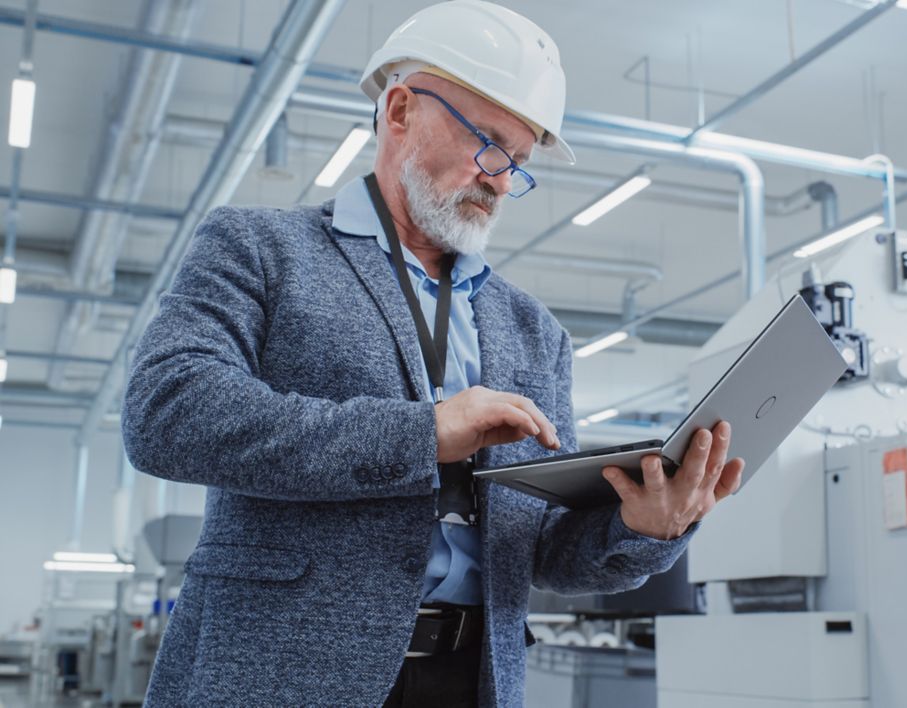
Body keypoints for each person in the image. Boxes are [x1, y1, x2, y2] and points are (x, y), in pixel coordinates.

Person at [121, 2, 744, 706]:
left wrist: (645, 527)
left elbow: (543, 553)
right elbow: (166, 414)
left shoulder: (534, 331)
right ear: (399, 112)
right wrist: (425, 433)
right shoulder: (259, 249)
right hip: (283, 669)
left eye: (519, 161)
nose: (502, 178)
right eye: (488, 142)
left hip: (475, 678)